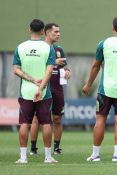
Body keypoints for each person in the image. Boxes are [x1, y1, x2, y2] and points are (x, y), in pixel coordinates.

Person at [83, 15, 117, 162]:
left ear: (113, 28)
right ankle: (116, 155)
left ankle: (95, 155)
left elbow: (96, 66)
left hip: (104, 89)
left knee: (100, 119)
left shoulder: (104, 43)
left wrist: (88, 84)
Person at [13, 19, 57, 163]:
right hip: (43, 93)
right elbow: (49, 71)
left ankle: (23, 157)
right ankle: (48, 157)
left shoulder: (20, 47)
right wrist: (40, 88)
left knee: (25, 123)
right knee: (45, 123)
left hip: (26, 92)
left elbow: (16, 70)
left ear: (29, 29)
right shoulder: (48, 48)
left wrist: (31, 80)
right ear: (43, 31)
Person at [30, 23, 71, 155]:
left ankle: (57, 147)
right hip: (43, 86)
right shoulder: (40, 48)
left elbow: (65, 67)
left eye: (59, 32)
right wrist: (54, 63)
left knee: (58, 118)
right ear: (47, 33)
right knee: (37, 118)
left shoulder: (59, 49)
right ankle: (33, 148)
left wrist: (67, 71)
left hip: (57, 88)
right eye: (55, 32)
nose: (58, 34)